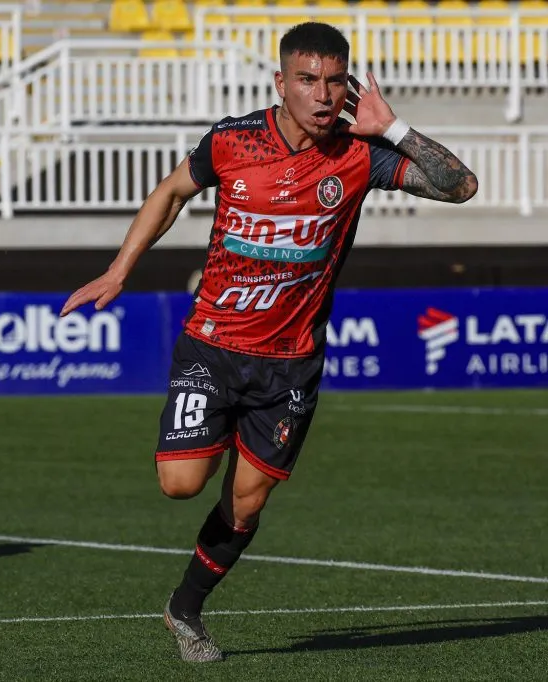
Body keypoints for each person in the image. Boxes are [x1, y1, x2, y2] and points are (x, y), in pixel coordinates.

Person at [59, 23, 476, 662]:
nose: (323, 94)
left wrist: (394, 129)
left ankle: (185, 609)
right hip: (213, 347)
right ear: (279, 83)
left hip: (292, 365)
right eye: (308, 80)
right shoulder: (232, 141)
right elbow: (171, 192)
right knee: (180, 484)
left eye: (335, 81)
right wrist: (120, 270)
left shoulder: (360, 154)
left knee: (246, 506)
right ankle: (208, 436)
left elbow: (461, 186)